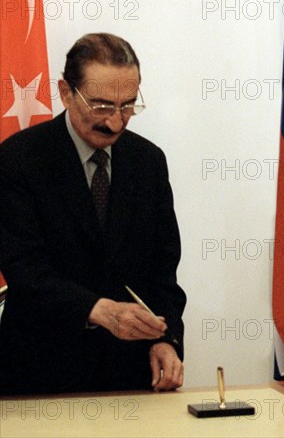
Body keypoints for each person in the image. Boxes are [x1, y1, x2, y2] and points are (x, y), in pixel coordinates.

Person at [0, 33, 186, 394]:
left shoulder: (148, 162)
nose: (115, 122)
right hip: (40, 374)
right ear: (66, 92)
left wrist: (167, 341)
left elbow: (164, 270)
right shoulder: (18, 160)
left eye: (128, 106)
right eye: (101, 107)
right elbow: (25, 270)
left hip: (130, 376)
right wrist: (97, 310)